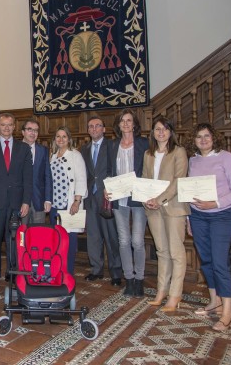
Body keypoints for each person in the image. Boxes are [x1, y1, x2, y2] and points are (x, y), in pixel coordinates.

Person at [185, 123, 231, 332]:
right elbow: (189, 192)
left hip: (222, 216)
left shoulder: (225, 157)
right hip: (198, 217)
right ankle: (215, 302)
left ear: (214, 137)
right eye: (199, 136)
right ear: (194, 140)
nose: (203, 140)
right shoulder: (192, 160)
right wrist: (189, 220)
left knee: (220, 263)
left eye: (207, 136)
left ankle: (227, 312)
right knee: (207, 261)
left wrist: (216, 203)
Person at [142, 117, 189, 312]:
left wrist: (159, 199)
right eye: (157, 129)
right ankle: (161, 291)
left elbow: (178, 180)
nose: (161, 132)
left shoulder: (179, 152)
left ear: (171, 132)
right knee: (162, 251)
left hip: (173, 206)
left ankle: (175, 294)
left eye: (165, 129)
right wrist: (145, 197)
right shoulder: (148, 154)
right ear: (153, 132)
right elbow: (145, 178)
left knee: (176, 252)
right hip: (152, 208)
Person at [0, 113, 33, 288]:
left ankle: (11, 272)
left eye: (10, 125)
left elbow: (28, 178)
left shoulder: (24, 148)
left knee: (14, 242)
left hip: (16, 203)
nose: (6, 128)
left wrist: (26, 201)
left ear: (14, 127)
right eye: (3, 125)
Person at [107, 108, 149, 298]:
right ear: (118, 124)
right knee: (123, 241)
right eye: (122, 121)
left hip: (138, 198)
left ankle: (139, 280)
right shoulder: (113, 144)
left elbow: (148, 169)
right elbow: (110, 171)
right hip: (119, 198)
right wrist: (107, 189)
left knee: (137, 241)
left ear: (134, 124)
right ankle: (129, 280)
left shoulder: (143, 143)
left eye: (129, 120)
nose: (125, 123)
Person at [81, 116, 121, 285]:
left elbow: (116, 169)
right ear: (88, 130)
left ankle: (116, 272)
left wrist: (110, 187)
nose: (94, 129)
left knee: (111, 236)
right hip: (90, 198)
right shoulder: (83, 149)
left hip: (107, 197)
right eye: (91, 126)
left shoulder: (112, 146)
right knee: (93, 236)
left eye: (98, 126)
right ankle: (96, 269)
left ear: (104, 129)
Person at [50, 126, 87, 276]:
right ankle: (57, 270)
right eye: (58, 136)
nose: (61, 139)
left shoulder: (75, 155)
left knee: (69, 241)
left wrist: (77, 201)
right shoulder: (52, 155)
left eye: (64, 136)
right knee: (57, 240)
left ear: (69, 139)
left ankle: (68, 272)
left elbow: (81, 179)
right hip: (54, 205)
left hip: (69, 203)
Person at [20, 119, 53, 225]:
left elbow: (47, 176)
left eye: (36, 130)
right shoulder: (15, 149)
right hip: (20, 201)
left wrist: (48, 199)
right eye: (29, 129)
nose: (33, 133)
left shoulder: (43, 150)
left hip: (39, 201)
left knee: (38, 236)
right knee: (21, 236)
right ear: (23, 132)